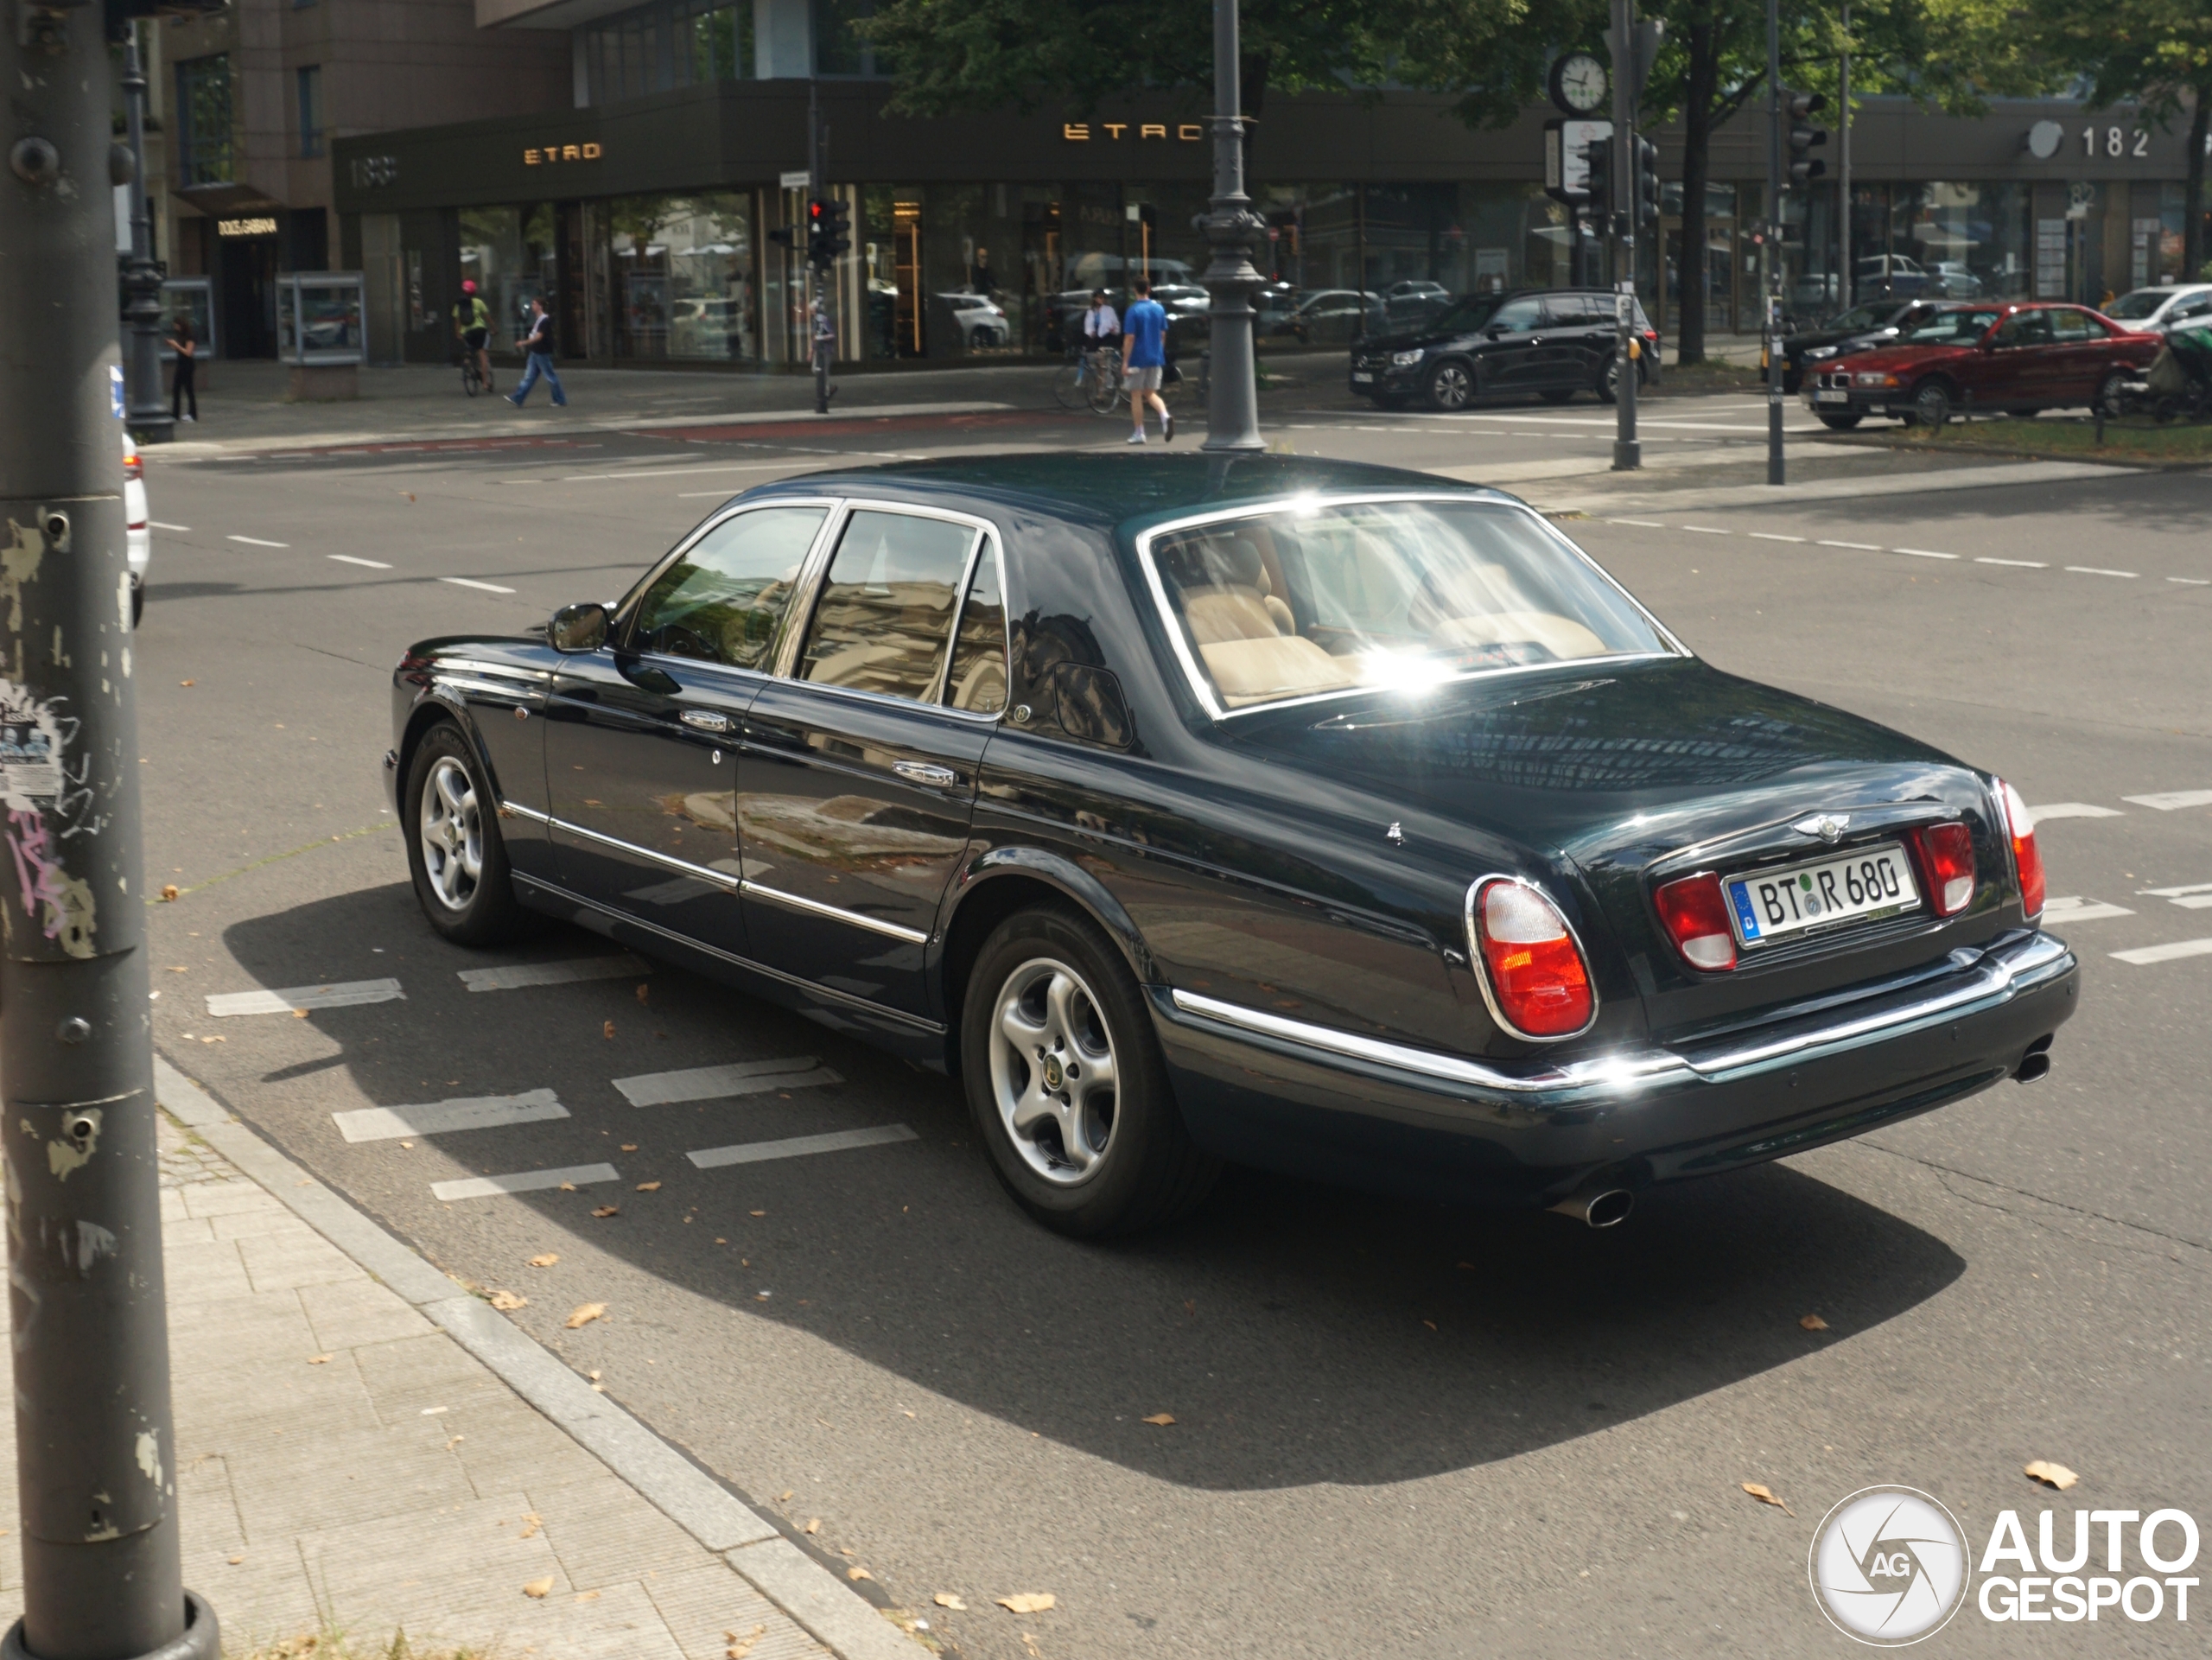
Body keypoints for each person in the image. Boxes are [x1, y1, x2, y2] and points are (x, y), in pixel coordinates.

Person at [1121, 279, 1171, 444]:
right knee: (1151, 393)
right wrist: (1158, 351)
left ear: (1134, 290)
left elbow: (1130, 338)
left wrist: (1125, 361)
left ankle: (1139, 432)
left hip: (1137, 358)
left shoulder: (1133, 311)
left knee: (1136, 394)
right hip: (1155, 357)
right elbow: (1163, 334)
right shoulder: (1159, 308)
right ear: (1149, 289)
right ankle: (1165, 417)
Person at [507, 296, 567, 407]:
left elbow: (539, 337)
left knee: (550, 376)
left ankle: (560, 399)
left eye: (534, 304)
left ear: (540, 306)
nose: (532, 306)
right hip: (535, 351)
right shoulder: (539, 320)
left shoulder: (544, 320)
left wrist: (523, 343)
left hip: (542, 352)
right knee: (529, 377)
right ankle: (518, 398)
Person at [454, 280, 493, 392]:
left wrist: (458, 333)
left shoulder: (459, 304)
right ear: (474, 291)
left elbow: (457, 321)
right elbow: (487, 317)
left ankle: (467, 363)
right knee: (482, 355)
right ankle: (485, 383)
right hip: (480, 330)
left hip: (466, 332)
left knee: (469, 349)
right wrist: (494, 328)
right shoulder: (479, 302)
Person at [166, 316, 198, 422]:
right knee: (176, 389)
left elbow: (188, 352)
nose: (175, 328)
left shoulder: (190, 337)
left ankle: (193, 414)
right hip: (180, 364)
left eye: (176, 325)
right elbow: (181, 350)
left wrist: (177, 346)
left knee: (189, 390)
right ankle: (175, 414)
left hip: (188, 365)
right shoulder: (181, 336)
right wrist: (173, 345)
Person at [1081, 289, 1119, 361]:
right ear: (1095, 299)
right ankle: (1100, 371)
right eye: (1100, 297)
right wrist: (1091, 332)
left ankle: (1105, 370)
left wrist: (1114, 330)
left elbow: (1115, 323)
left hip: (1107, 336)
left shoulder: (1109, 310)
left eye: (1103, 297)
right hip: (1096, 337)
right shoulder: (1091, 311)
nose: (1102, 299)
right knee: (1095, 356)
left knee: (1103, 354)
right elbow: (1088, 325)